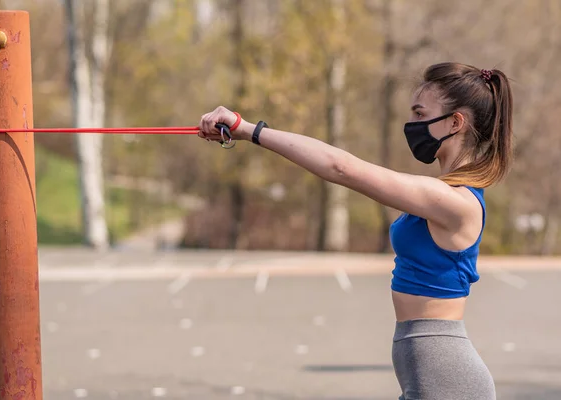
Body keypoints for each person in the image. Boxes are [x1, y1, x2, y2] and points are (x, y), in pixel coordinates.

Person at [198, 62, 512, 400]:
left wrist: (248, 130)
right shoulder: (442, 194)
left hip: (448, 382)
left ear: (455, 122)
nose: (412, 125)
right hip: (428, 375)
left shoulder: (455, 202)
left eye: (421, 115)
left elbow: (341, 168)